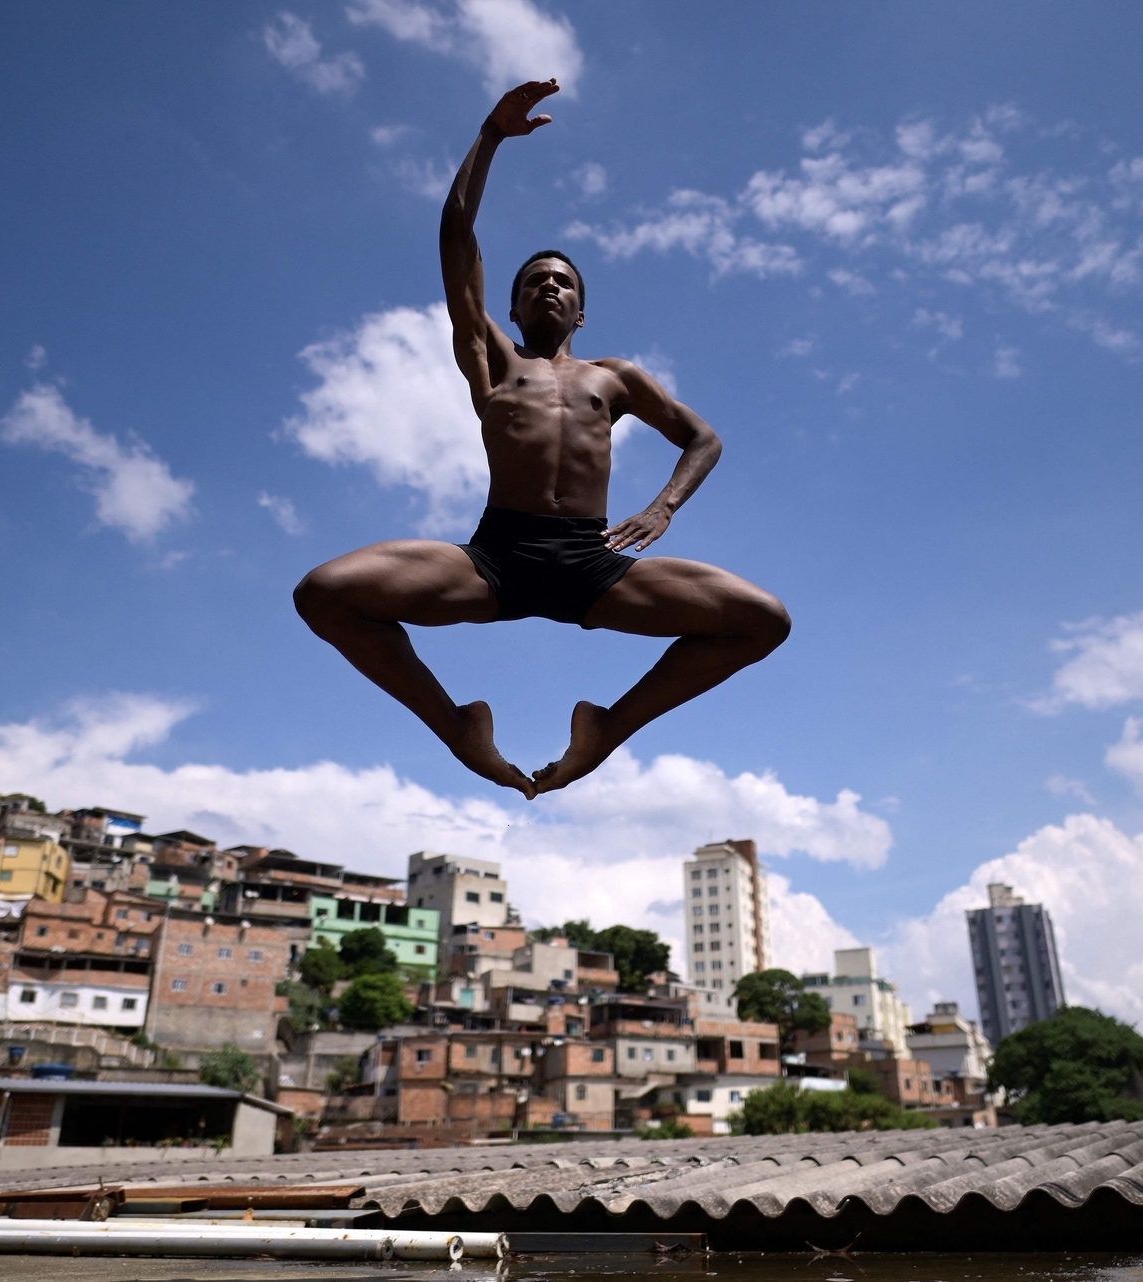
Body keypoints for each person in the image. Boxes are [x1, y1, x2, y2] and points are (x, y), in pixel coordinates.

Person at [294, 80, 789, 799]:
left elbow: (703, 438)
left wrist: (665, 508)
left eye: (562, 282)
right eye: (533, 282)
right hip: (498, 555)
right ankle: (457, 726)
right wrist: (490, 137)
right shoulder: (494, 358)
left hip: (592, 560)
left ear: (581, 311)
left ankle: (607, 730)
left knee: (762, 622)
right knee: (325, 594)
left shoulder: (613, 377)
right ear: (513, 304)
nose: (548, 287)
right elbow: (456, 237)